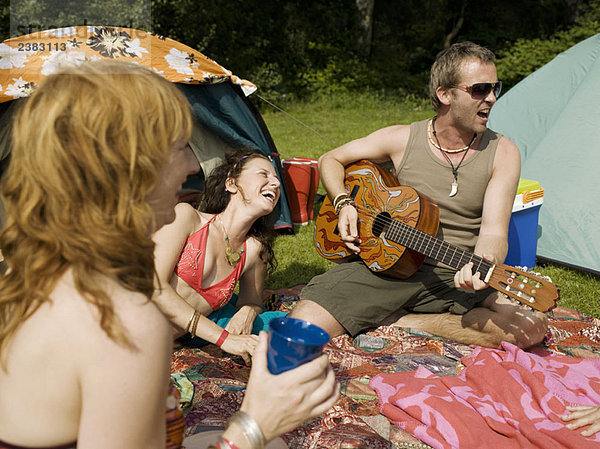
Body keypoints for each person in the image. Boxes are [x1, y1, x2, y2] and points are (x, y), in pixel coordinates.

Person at [0, 60, 339, 449]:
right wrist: (255, 424)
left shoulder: (34, 273)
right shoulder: (124, 322)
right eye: (181, 147)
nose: (193, 164)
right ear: (133, 170)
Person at [290, 41, 548, 349]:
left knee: (530, 328)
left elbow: (494, 231)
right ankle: (395, 311)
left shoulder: (503, 152)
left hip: (457, 271)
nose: (491, 98)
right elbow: (329, 159)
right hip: (388, 268)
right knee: (301, 326)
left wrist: (483, 263)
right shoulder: (401, 139)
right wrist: (343, 202)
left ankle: (400, 321)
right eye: (479, 89)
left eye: (495, 88)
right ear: (445, 94)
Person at [152, 149, 286, 364]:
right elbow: (153, 286)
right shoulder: (187, 218)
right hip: (121, 327)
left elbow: (253, 301)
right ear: (231, 184)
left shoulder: (253, 251)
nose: (276, 184)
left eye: (276, 179)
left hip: (165, 340)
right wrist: (225, 339)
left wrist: (247, 312)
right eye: (264, 174)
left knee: (288, 324)